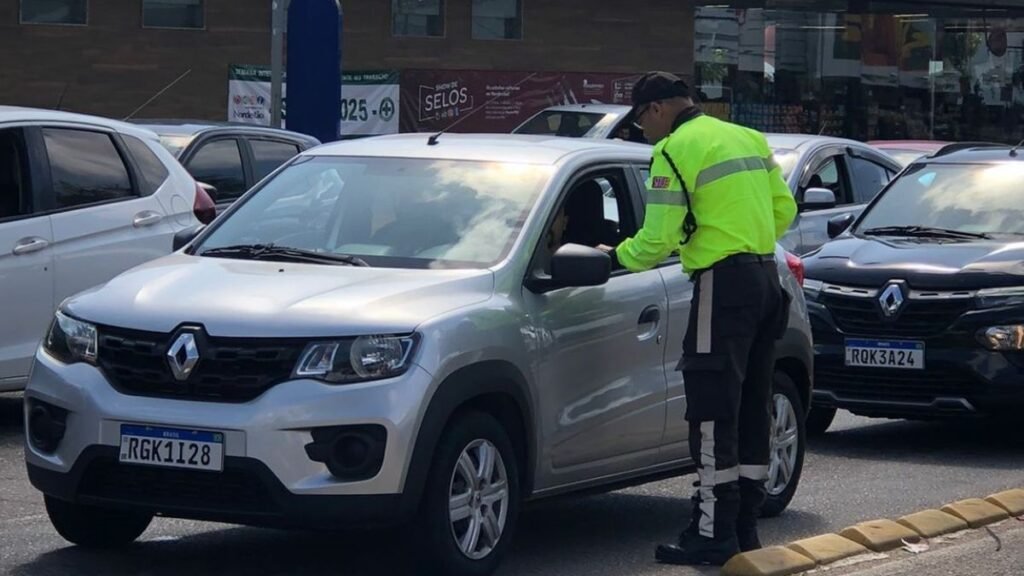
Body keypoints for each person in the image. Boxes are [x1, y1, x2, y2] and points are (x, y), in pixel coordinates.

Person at [601, 72, 797, 566]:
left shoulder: (672, 150)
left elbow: (656, 240)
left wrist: (613, 257)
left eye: (641, 119)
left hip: (723, 284)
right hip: (765, 278)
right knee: (754, 404)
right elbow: (785, 210)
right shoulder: (745, 137)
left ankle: (712, 533)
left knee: (711, 411)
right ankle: (744, 527)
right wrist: (741, 234)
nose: (642, 130)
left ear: (657, 109)